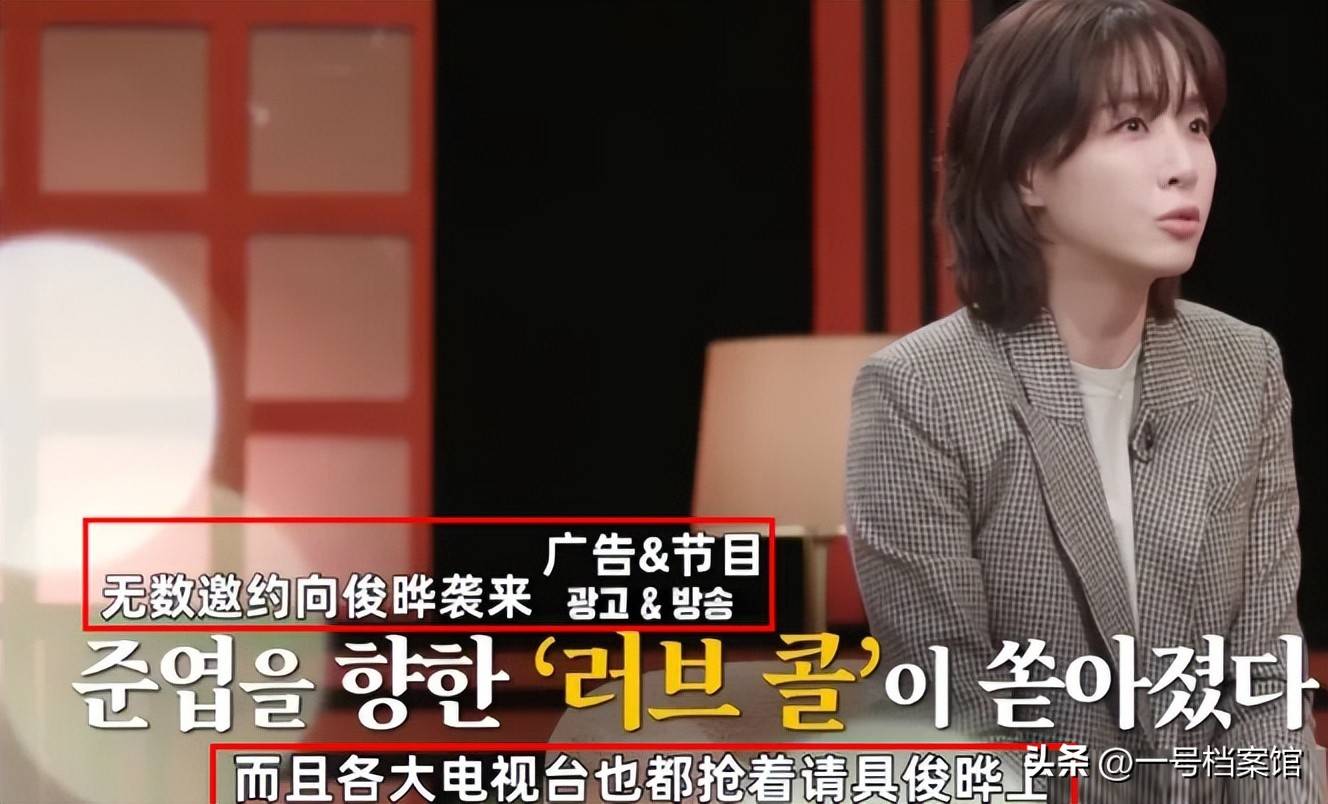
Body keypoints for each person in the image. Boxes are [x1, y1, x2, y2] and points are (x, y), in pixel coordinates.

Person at [844, 1, 1319, 801]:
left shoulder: (1244, 367)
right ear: (1027, 170)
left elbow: (1265, 679)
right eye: (1133, 125)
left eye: (1195, 125)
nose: (1184, 164)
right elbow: (955, 714)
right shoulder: (921, 391)